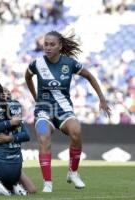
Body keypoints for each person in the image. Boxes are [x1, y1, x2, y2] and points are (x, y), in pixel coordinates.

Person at [25, 31, 111, 192]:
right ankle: (48, 183)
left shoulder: (70, 63)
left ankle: (73, 172)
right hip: (44, 111)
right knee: (43, 137)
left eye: (52, 44)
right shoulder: (36, 64)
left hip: (64, 111)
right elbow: (27, 77)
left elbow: (90, 77)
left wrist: (102, 99)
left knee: (76, 130)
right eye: (46, 44)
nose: (48, 48)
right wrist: (35, 97)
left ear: (60, 46)